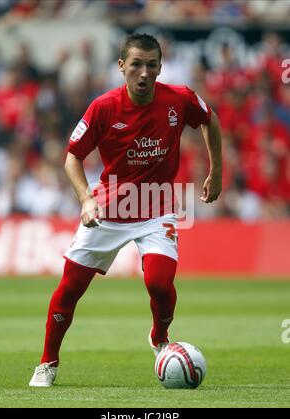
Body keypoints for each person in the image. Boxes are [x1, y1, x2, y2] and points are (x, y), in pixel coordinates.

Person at [29, 33, 222, 387]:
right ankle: (47, 362)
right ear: (122, 67)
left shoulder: (179, 99)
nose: (144, 73)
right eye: (136, 65)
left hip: (156, 209)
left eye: (151, 65)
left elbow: (210, 119)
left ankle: (159, 337)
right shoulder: (103, 107)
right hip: (108, 210)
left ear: (160, 67)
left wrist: (216, 170)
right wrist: (86, 199)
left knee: (160, 284)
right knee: (70, 289)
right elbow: (72, 157)